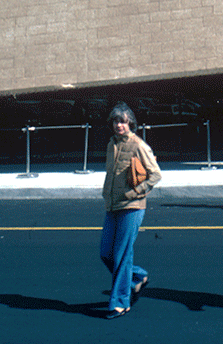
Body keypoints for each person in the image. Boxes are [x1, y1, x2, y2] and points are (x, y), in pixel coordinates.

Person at [100, 102, 161, 319]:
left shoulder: (138, 145)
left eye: (123, 122)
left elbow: (155, 175)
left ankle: (119, 302)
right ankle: (139, 276)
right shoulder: (111, 145)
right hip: (112, 205)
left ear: (130, 123)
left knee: (121, 255)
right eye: (116, 121)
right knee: (106, 253)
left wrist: (135, 193)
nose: (119, 125)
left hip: (132, 207)